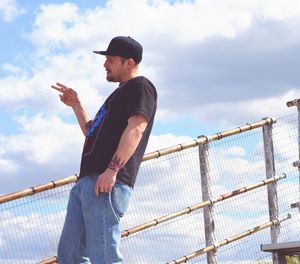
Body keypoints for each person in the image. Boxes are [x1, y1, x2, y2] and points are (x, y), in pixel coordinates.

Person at [51, 36, 157, 263]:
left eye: (110, 59)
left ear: (129, 62)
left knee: (104, 256)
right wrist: (77, 105)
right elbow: (92, 133)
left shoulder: (141, 87)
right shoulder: (117, 95)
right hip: (87, 182)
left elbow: (137, 127)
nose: (104, 64)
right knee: (69, 254)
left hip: (106, 181)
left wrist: (111, 171)